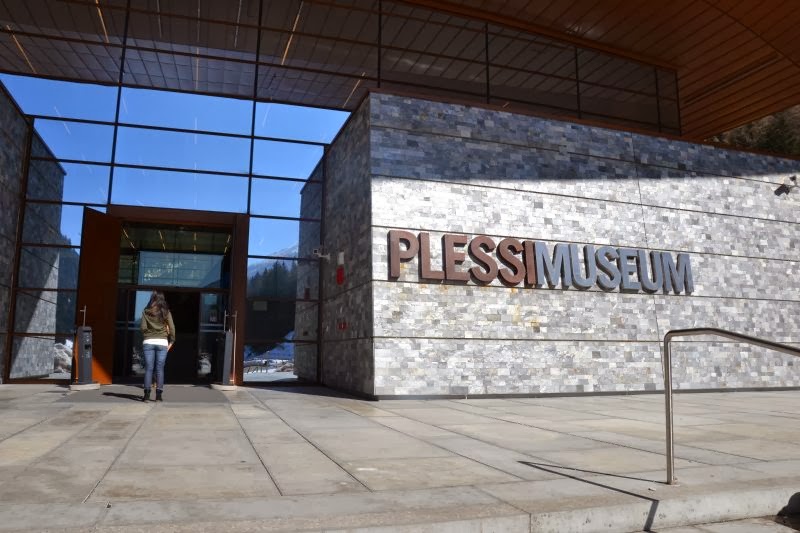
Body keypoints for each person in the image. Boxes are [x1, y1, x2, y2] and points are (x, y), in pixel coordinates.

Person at [140, 291, 175, 402]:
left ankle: (146, 395)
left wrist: (148, 335)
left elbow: (143, 328)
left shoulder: (146, 311)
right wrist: (172, 340)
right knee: (160, 369)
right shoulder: (166, 312)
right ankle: (158, 396)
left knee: (148, 369)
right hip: (162, 343)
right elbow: (172, 327)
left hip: (148, 342)